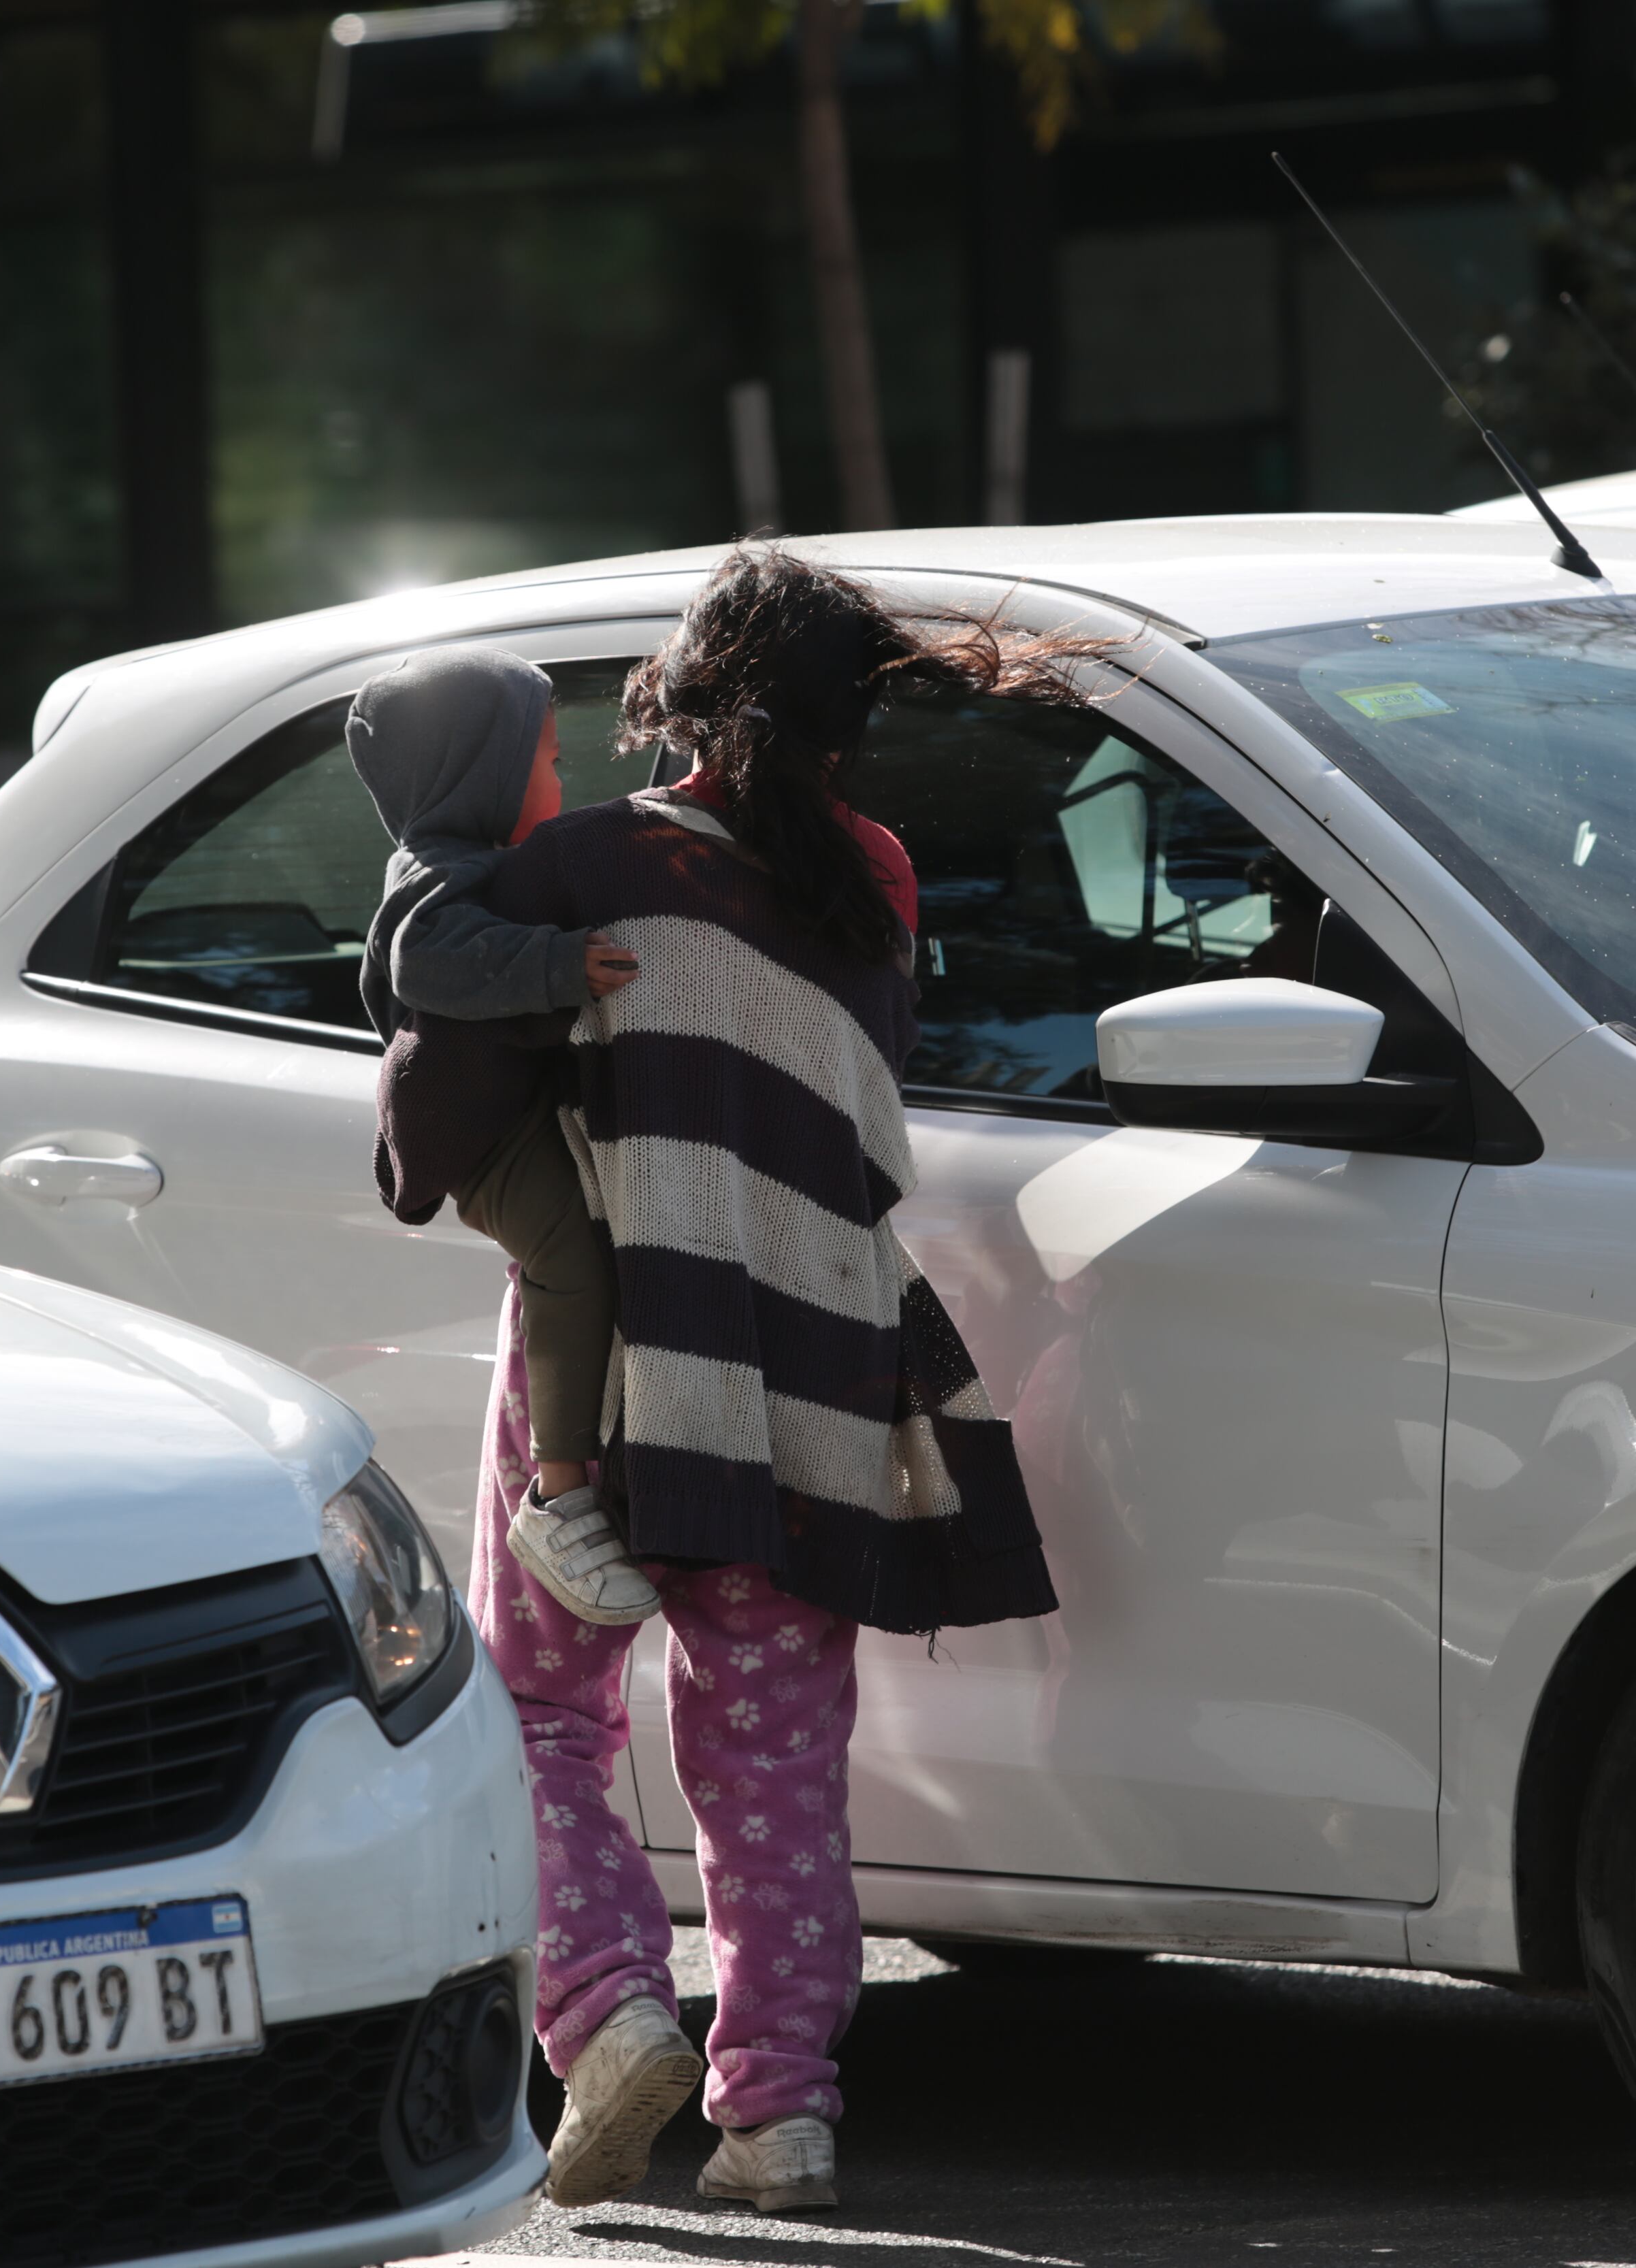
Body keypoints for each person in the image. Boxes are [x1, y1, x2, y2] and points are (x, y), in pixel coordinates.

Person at [467, 546, 1100, 2217]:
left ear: (683, 688)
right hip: (811, 1363)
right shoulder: (874, 879)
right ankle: (783, 2112)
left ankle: (604, 2010)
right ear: (847, 730)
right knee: (774, 1759)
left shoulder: (581, 862)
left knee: (533, 1701)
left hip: (608, 1369)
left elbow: (456, 1034)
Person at [346, 644, 660, 1624]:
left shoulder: (491, 864)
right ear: (478, 772)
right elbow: (431, 962)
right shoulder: (436, 874)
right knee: (571, 1254)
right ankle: (561, 1495)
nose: (564, 778)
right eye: (550, 758)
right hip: (474, 1134)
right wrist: (560, 964)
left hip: (507, 1113)